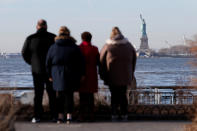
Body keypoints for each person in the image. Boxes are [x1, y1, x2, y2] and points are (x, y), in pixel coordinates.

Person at [46, 26, 85, 124]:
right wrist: (82, 74)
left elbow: (48, 62)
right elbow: (81, 62)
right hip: (71, 72)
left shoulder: (53, 47)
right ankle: (69, 117)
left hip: (57, 73)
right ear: (68, 34)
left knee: (59, 96)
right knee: (69, 96)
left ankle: (59, 117)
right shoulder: (74, 46)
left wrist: (49, 75)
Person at [21, 19, 57, 123]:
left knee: (38, 94)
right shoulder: (53, 37)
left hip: (36, 70)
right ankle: (54, 116)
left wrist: (31, 62)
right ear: (46, 26)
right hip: (50, 70)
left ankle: (37, 116)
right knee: (52, 94)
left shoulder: (30, 38)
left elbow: (24, 53)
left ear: (37, 26)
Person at [99, 27, 137, 121]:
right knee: (123, 95)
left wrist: (102, 74)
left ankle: (114, 114)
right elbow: (134, 60)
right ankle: (124, 114)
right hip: (125, 75)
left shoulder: (107, 46)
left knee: (114, 95)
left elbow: (101, 61)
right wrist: (131, 72)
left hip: (112, 75)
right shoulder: (128, 45)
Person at [78, 32, 99, 122]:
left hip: (81, 75)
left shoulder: (79, 48)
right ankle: (91, 115)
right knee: (90, 97)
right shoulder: (94, 49)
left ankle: (82, 115)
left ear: (82, 38)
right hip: (92, 75)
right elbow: (98, 62)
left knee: (82, 97)